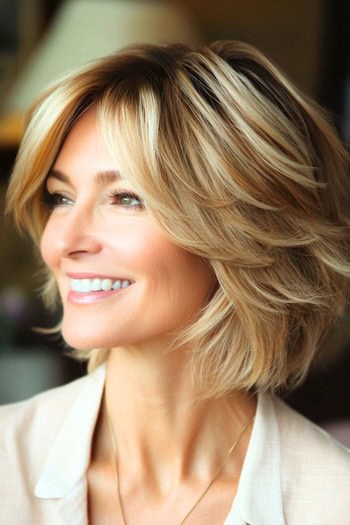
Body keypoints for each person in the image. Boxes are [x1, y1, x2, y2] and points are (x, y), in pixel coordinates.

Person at [1, 40, 350, 525]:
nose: (64, 242)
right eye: (61, 197)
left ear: (238, 231)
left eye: (125, 198)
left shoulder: (332, 502)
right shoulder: (6, 464)